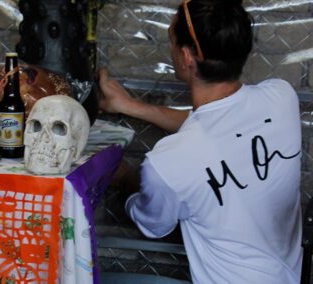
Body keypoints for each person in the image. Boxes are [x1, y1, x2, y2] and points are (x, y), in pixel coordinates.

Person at [98, 0, 303, 283]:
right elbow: (220, 130)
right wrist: (131, 106)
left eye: (170, 40)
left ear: (186, 58)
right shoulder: (282, 98)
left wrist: (125, 179)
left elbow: (153, 225)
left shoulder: (168, 163)